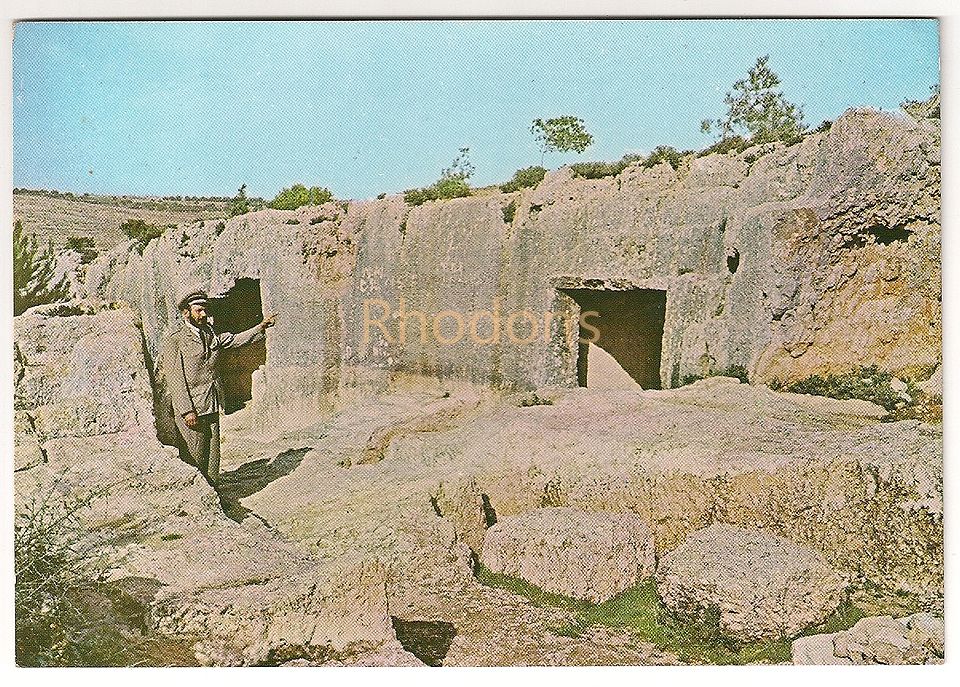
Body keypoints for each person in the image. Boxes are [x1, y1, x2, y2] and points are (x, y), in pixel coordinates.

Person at [160, 288, 277, 486]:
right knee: (194, 455)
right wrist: (187, 411)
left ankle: (214, 497)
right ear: (186, 313)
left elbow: (233, 340)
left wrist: (261, 327)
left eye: (205, 309)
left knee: (213, 457)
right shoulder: (175, 340)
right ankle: (195, 500)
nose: (203, 314)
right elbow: (175, 379)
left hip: (211, 402)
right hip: (191, 408)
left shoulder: (209, 333)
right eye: (198, 310)